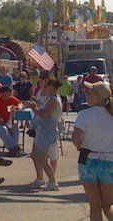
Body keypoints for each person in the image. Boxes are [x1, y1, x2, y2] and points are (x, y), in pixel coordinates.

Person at [72, 81, 113, 221]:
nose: (86, 95)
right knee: (108, 204)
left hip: (88, 160)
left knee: (95, 206)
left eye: (89, 93)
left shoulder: (85, 114)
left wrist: (79, 145)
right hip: (110, 161)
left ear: (97, 97)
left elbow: (75, 138)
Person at [28, 78, 63, 191]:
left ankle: (52, 181)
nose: (45, 88)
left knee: (43, 157)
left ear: (52, 88)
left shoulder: (53, 100)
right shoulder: (51, 99)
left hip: (47, 132)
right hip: (44, 131)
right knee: (39, 156)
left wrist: (34, 109)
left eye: (47, 86)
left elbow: (44, 115)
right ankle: (45, 180)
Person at [0, 86, 24, 156]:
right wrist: (7, 126)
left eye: (8, 94)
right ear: (0, 94)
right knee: (3, 129)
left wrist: (14, 108)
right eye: (4, 95)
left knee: (15, 128)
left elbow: (22, 106)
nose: (6, 96)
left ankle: (13, 150)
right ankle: (14, 148)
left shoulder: (11, 99)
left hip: (7, 123)